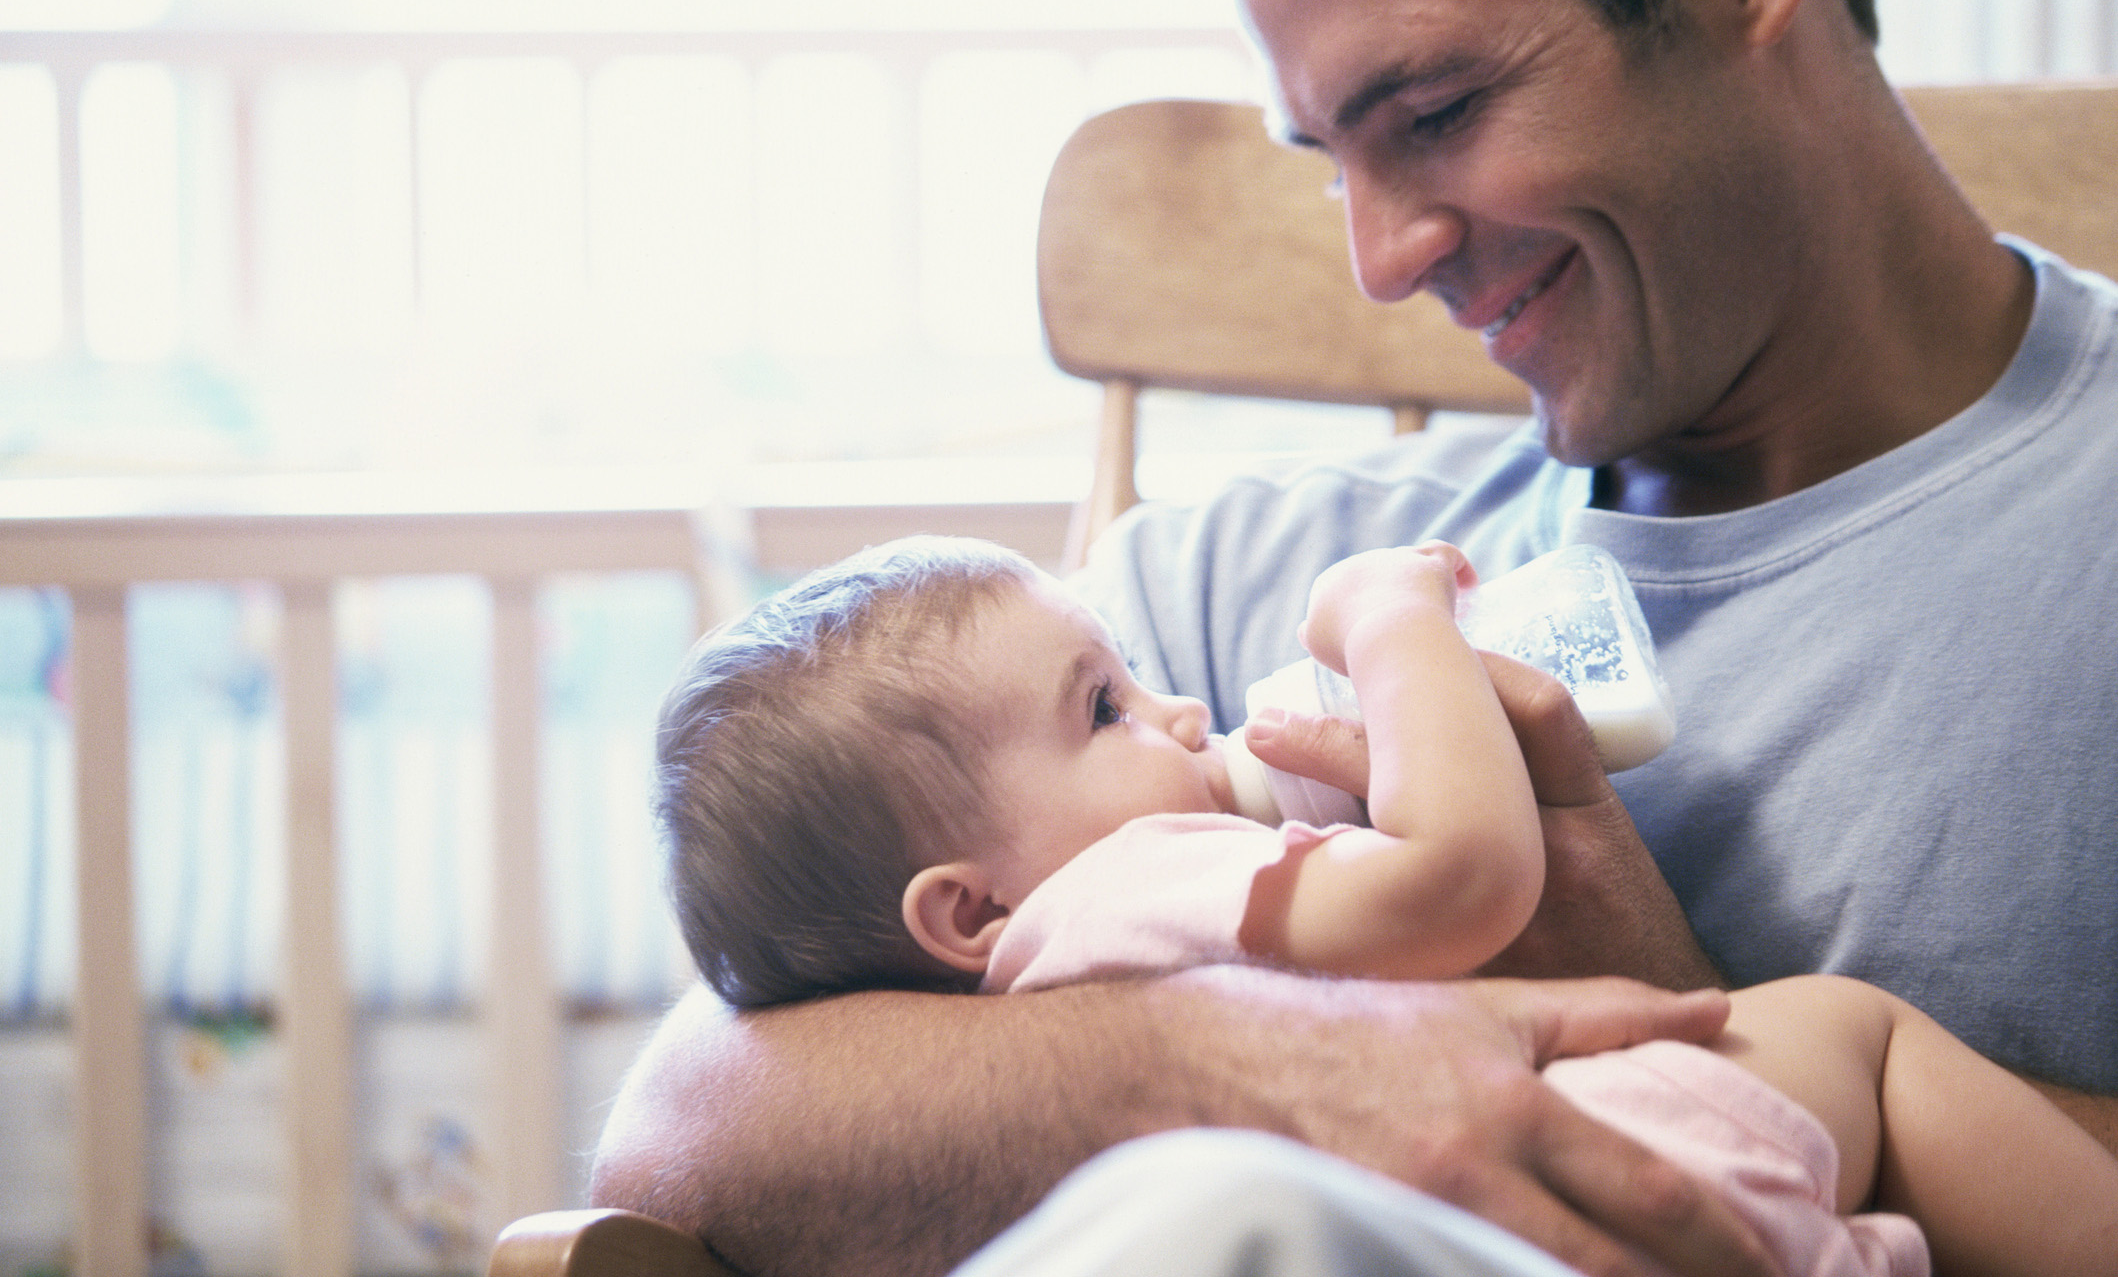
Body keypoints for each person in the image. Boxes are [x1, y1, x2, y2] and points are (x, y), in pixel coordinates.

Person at [592, 0, 2118, 1272]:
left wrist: (1662, 1016)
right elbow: (684, 1131)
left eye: (1438, 109)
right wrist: (1239, 1061)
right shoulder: (1212, 589)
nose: (1380, 259)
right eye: (1332, 158)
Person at [651, 531, 2117, 1274]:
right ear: (964, 916)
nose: (1175, 713)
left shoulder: (1087, 937)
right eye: (1102, 706)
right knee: (1840, 1031)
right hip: (1551, 1193)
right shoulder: (1129, 887)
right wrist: (1389, 622)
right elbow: (1459, 881)